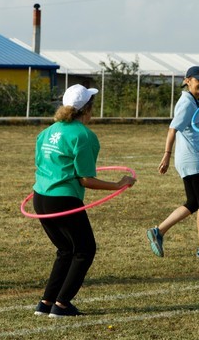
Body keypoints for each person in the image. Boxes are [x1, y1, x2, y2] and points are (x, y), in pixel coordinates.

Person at [32, 84, 136, 318]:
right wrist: (118, 185)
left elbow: (41, 164)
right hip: (63, 200)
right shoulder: (84, 136)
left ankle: (46, 303)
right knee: (85, 250)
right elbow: (86, 179)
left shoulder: (47, 132)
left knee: (66, 249)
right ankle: (61, 305)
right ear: (87, 109)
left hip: (40, 198)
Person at [146, 66, 199, 258]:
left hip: (189, 160)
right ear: (187, 80)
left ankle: (158, 231)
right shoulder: (186, 103)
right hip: (193, 160)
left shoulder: (194, 101)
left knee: (193, 203)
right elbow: (172, 129)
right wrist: (166, 154)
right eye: (197, 80)